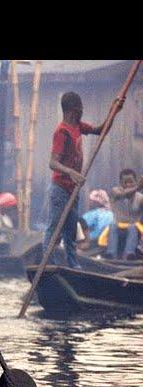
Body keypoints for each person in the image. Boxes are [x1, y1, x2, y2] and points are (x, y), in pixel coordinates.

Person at [43, 91, 124, 269]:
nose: (82, 111)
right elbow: (53, 163)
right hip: (60, 188)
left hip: (73, 189)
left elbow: (100, 130)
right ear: (73, 110)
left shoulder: (78, 126)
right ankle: (47, 265)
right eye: (81, 109)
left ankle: (73, 266)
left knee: (70, 231)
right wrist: (71, 172)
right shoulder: (62, 131)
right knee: (54, 228)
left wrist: (113, 111)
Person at [103, 169, 143, 260]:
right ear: (121, 183)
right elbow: (123, 195)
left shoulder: (140, 198)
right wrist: (137, 187)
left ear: (135, 182)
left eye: (131, 182)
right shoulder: (115, 192)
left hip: (135, 232)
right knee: (113, 225)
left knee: (132, 227)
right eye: (125, 182)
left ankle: (129, 254)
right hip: (117, 229)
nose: (128, 185)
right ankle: (111, 254)